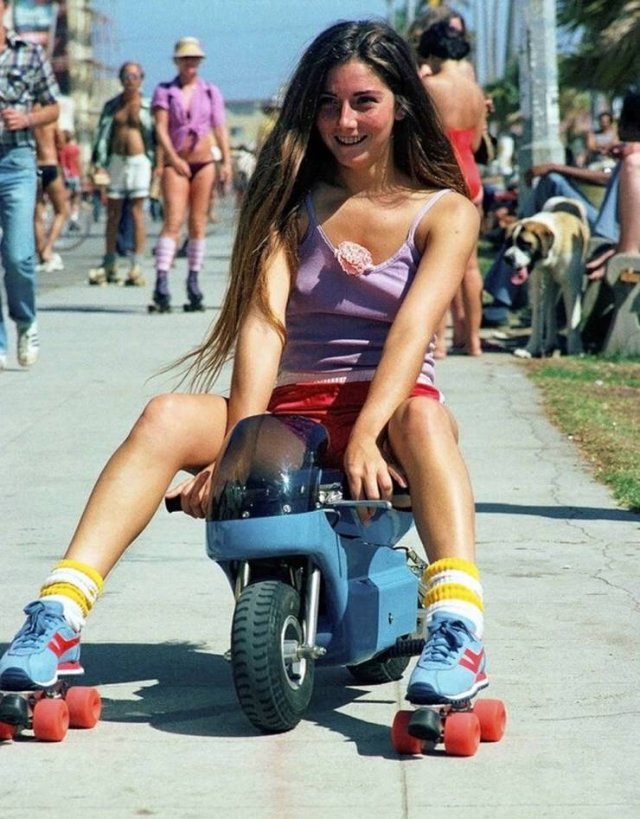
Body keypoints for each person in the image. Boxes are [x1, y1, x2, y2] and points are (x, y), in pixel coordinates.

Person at [0, 20, 488, 708]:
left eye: (363, 102)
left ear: (401, 102)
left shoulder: (446, 211)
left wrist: (373, 430)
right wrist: (241, 450)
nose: (342, 121)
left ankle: (458, 626)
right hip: (292, 414)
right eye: (326, 104)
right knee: (165, 415)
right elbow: (264, 324)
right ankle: (58, 613)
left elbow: (411, 331)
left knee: (428, 420)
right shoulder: (293, 204)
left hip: (392, 408)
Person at [484, 90, 640, 318]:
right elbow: (609, 180)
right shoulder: (630, 154)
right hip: (611, 228)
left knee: (550, 182)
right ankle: (518, 242)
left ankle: (512, 257)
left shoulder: (633, 158)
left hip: (613, 235)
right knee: (551, 180)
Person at [150, 37, 232, 313]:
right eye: (186, 59)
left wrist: (227, 162)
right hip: (177, 162)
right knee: (173, 220)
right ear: (177, 61)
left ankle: (193, 279)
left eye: (195, 59)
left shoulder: (209, 92)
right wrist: (172, 159)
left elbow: (220, 128)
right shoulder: (165, 91)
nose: (191, 64)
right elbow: (160, 129)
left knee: (198, 223)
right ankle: (161, 279)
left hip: (204, 161)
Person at [419, 20, 486, 356]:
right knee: (470, 266)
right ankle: (473, 341)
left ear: (431, 54)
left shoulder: (431, 88)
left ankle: (440, 342)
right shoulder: (475, 92)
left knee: (435, 263)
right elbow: (475, 141)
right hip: (471, 176)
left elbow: (422, 138)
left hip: (441, 175)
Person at [0, 1, 59, 371]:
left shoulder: (28, 53)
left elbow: (52, 107)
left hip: (17, 161)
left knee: (19, 255)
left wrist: (27, 117)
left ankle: (25, 321)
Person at [88, 61, 155, 287]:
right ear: (120, 79)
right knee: (113, 212)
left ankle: (136, 264)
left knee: (137, 212)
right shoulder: (112, 107)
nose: (130, 80)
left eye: (135, 76)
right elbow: (101, 137)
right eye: (126, 75)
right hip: (116, 161)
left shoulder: (148, 107)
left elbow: (157, 137)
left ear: (141, 79)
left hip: (140, 161)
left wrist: (159, 166)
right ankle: (110, 261)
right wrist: (98, 163)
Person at [33, 114, 68, 273]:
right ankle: (48, 249)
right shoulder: (50, 119)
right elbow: (60, 142)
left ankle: (41, 254)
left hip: (34, 166)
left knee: (37, 215)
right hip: (50, 165)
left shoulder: (30, 117)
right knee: (61, 211)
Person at [58, 130, 82, 232]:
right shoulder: (75, 149)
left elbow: (61, 164)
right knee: (76, 198)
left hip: (66, 176)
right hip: (75, 175)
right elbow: (78, 162)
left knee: (66, 199)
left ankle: (69, 220)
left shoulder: (62, 150)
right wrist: (81, 175)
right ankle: (74, 218)